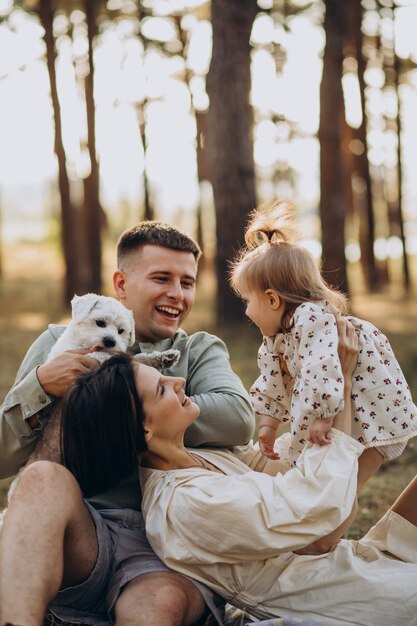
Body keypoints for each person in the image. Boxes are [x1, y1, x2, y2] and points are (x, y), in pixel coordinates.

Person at [58, 327, 417, 626]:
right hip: (350, 600)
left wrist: (314, 375)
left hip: (360, 560)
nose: (180, 381)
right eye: (162, 389)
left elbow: (294, 468)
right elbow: (318, 524)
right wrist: (337, 387)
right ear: (145, 430)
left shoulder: (203, 456)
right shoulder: (184, 506)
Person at [0, 221, 255, 626]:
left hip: (165, 547)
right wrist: (41, 387)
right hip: (79, 531)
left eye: (187, 282)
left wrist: (118, 405)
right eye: (161, 278)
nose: (177, 294)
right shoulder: (58, 344)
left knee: (158, 605)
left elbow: (238, 418)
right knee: (40, 479)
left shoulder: (199, 350)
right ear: (121, 283)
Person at [229, 200, 417, 475]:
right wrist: (268, 424)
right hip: (341, 418)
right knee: (326, 477)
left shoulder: (310, 319)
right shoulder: (278, 337)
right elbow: (271, 378)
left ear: (272, 299)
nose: (246, 311)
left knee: (346, 487)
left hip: (373, 418)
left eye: (247, 301)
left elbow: (323, 368)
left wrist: (323, 417)